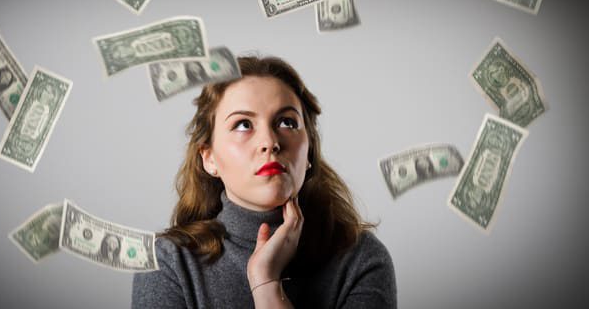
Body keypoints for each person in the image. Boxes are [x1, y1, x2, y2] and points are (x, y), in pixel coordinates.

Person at [132, 55, 396, 308]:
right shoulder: (167, 262)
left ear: (309, 152)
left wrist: (266, 284)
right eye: (243, 125)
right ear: (209, 158)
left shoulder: (361, 259)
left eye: (286, 122)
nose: (270, 142)